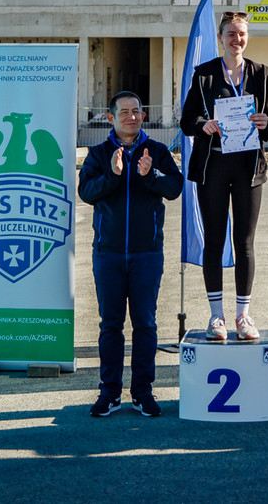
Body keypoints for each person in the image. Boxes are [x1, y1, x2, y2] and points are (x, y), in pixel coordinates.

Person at [78, 90, 183, 417]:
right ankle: (109, 393)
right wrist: (113, 174)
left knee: (145, 325)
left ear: (143, 115)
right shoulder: (98, 154)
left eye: (136, 111)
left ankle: (142, 392)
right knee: (110, 325)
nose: (131, 117)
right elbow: (86, 192)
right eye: (123, 112)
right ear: (110, 118)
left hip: (146, 254)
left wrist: (151, 174)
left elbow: (174, 188)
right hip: (108, 255)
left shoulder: (158, 151)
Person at [180, 10, 268, 341]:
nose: (237, 39)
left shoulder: (260, 73)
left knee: (245, 242)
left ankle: (243, 315)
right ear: (221, 37)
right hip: (214, 167)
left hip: (248, 169)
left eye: (242, 33)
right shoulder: (204, 75)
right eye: (231, 34)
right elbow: (187, 120)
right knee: (214, 240)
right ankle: (216, 316)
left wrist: (266, 123)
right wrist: (203, 125)